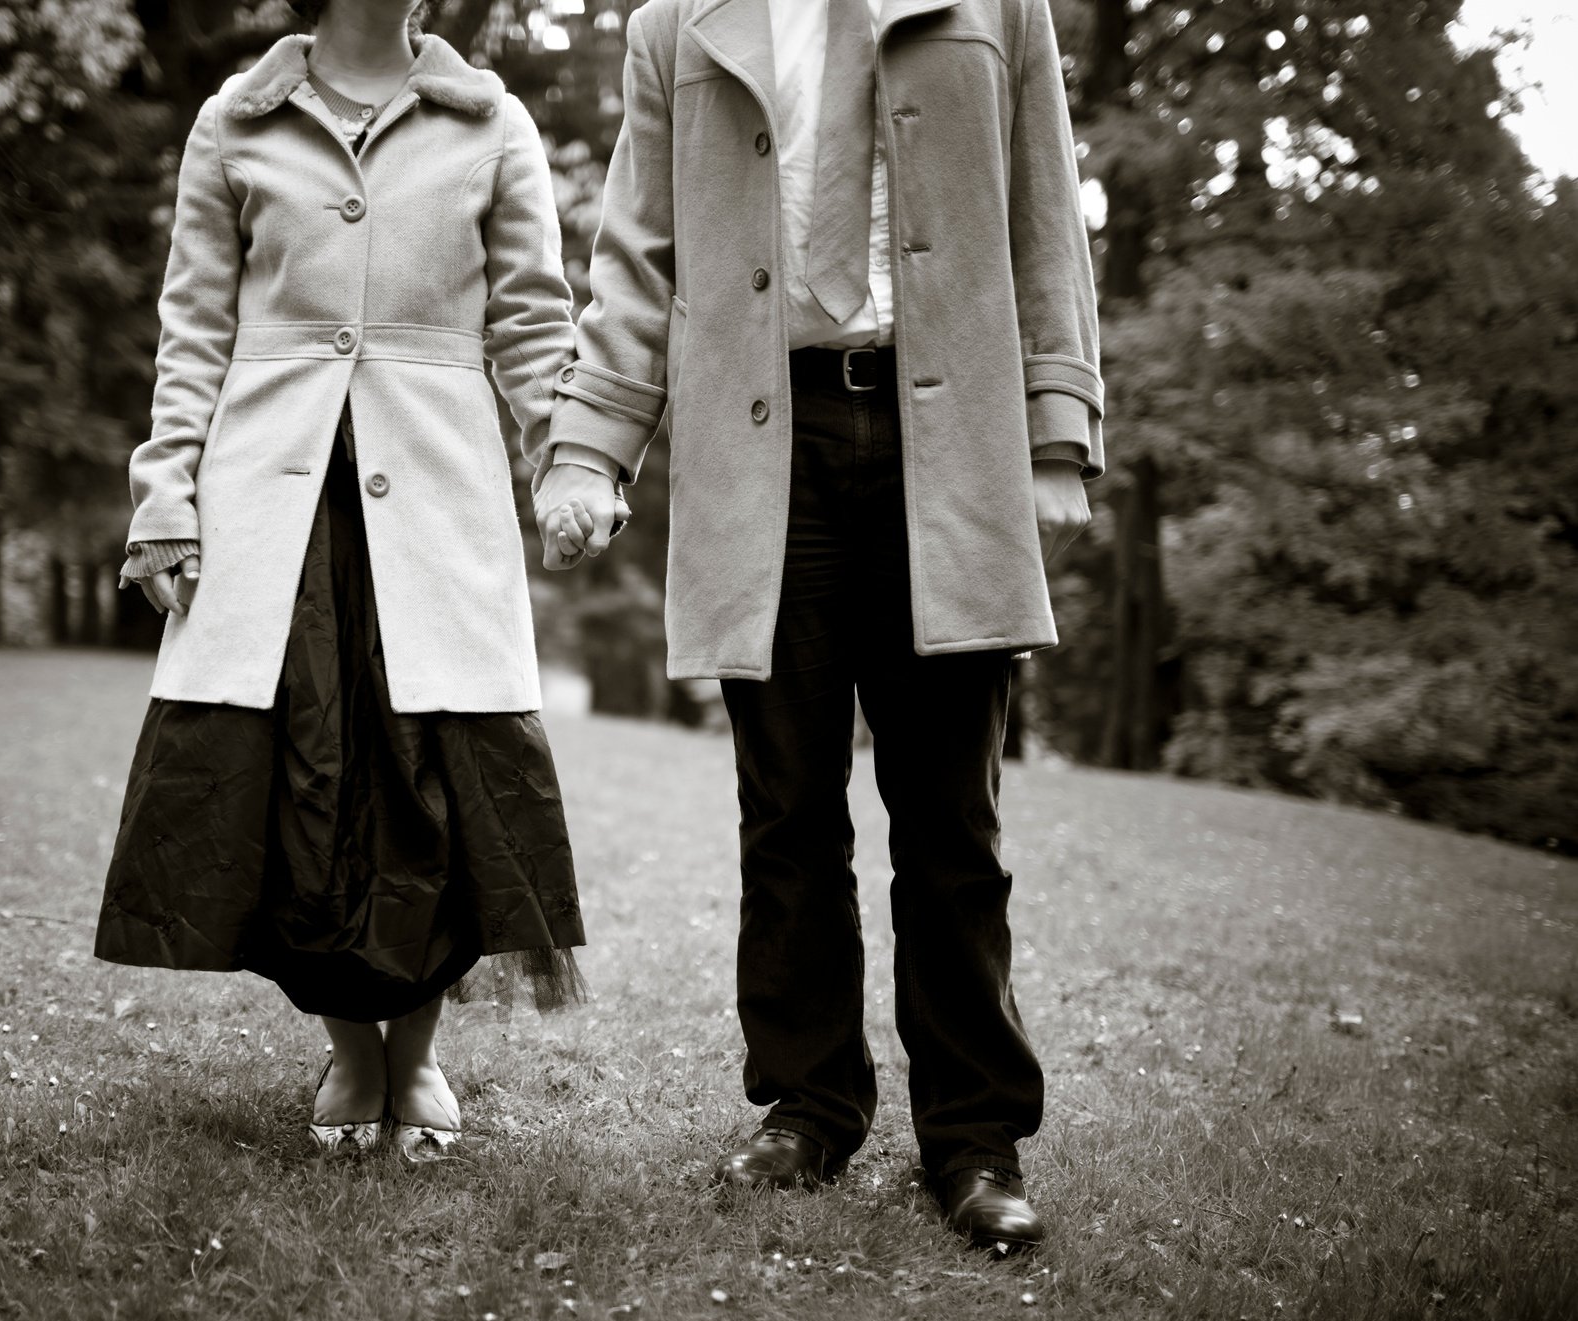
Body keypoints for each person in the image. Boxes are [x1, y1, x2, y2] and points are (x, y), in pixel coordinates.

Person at [538, 0, 1103, 1246]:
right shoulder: (672, 25)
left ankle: (974, 1139)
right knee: (784, 811)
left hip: (943, 445)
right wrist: (590, 446)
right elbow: (637, 251)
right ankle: (809, 1105)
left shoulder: (997, 5)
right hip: (763, 445)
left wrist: (1056, 427)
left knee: (949, 817)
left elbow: (1043, 208)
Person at [94, 0, 599, 1164]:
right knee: (293, 790)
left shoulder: (492, 122)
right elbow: (193, 328)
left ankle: (412, 1053)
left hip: (435, 501)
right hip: (270, 507)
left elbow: (530, 321)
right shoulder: (235, 121)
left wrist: (562, 464)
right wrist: (164, 495)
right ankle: (351, 1047)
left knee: (431, 782)